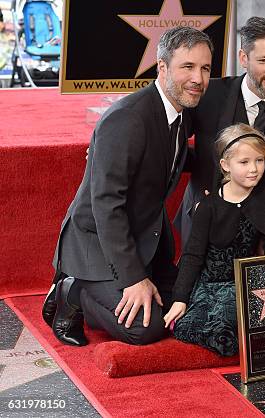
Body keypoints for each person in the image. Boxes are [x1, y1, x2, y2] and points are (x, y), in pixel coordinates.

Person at [41, 26, 214, 346]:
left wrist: (237, 165)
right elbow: (106, 206)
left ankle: (106, 294)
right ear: (162, 68)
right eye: (187, 67)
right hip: (98, 243)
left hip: (147, 237)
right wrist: (134, 279)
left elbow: (171, 156)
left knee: (187, 306)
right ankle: (74, 290)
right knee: (145, 329)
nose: (198, 78)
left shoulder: (182, 110)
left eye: (205, 68)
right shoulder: (127, 119)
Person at [175, 17, 265, 246]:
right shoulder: (208, 96)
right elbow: (172, 139)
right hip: (212, 227)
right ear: (243, 58)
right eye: (263, 60)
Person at [163, 124, 265, 356]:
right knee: (188, 326)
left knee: (229, 329)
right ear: (225, 165)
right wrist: (180, 298)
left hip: (247, 284)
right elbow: (192, 256)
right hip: (209, 284)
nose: (254, 169)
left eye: (260, 160)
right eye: (244, 162)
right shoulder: (208, 207)